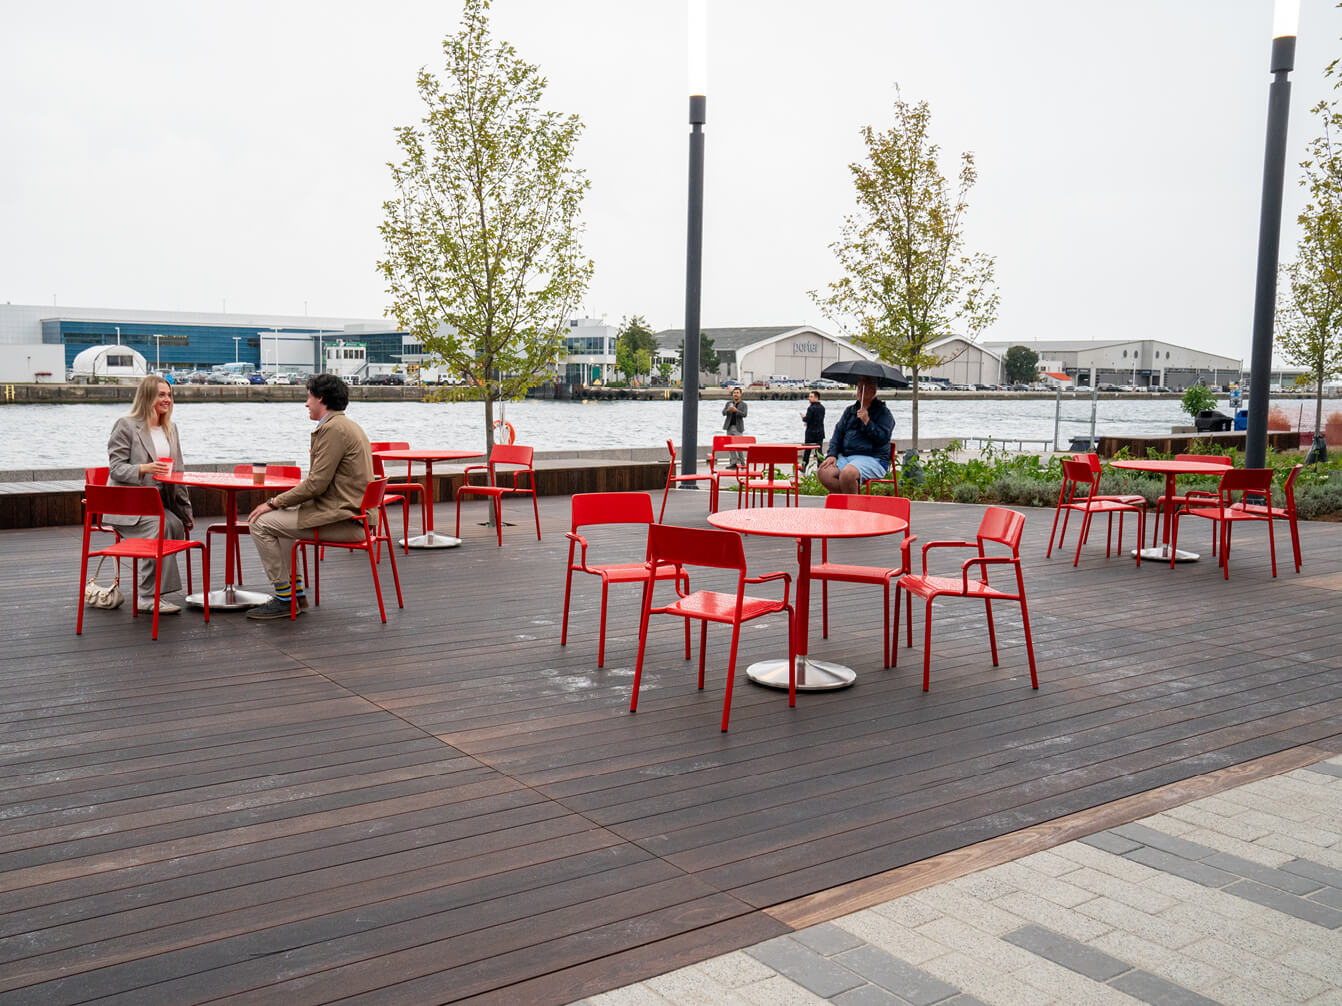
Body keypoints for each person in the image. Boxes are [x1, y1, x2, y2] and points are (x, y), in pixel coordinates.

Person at [244, 374, 373, 620]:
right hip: (354, 516)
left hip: (344, 520)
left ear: (320, 399)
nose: (306, 403)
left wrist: (272, 502)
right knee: (279, 522)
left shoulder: (333, 429)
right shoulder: (348, 426)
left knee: (259, 522)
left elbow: (316, 484)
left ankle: (284, 598)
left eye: (309, 397)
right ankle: (296, 595)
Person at [106, 374, 194, 613]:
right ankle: (147, 595)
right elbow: (115, 468)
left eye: (169, 394)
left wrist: (186, 511)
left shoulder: (170, 428)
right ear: (147, 397)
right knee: (162, 526)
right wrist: (145, 468)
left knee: (175, 524)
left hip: (157, 505)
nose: (167, 399)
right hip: (127, 506)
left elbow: (178, 472)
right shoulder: (126, 425)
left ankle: (156, 592)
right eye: (161, 394)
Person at [818, 375, 895, 495]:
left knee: (848, 474)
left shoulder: (884, 413)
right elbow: (837, 434)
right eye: (858, 387)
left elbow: (883, 438)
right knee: (824, 472)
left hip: (874, 458)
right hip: (848, 456)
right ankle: (852, 504)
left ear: (873, 390)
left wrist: (867, 422)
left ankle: (851, 508)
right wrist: (832, 455)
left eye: (863, 387)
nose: (859, 391)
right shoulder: (850, 411)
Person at [721, 386, 748, 466]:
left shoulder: (743, 404)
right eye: (734, 393)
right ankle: (733, 463)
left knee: (740, 447)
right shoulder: (728, 403)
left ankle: (743, 463)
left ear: (740, 394)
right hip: (729, 427)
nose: (735, 394)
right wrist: (727, 410)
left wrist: (736, 411)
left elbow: (744, 414)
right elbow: (723, 413)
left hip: (738, 428)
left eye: (737, 393)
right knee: (730, 447)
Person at [800, 390, 826, 470]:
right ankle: (820, 467)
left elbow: (807, 419)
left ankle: (804, 467)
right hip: (820, 432)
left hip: (811, 433)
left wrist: (804, 418)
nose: (809, 398)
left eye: (811, 397)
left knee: (807, 451)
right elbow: (818, 419)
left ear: (816, 398)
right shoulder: (822, 408)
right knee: (819, 451)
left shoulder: (811, 408)